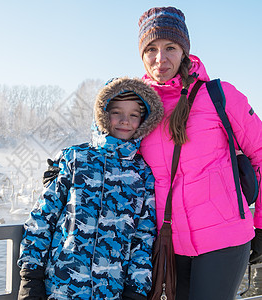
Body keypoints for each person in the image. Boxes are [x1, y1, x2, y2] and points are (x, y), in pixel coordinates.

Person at [136, 6, 262, 300]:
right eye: (151, 49)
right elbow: (111, 156)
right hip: (168, 243)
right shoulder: (138, 106)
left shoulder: (219, 95)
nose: (160, 58)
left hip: (224, 240)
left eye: (170, 47)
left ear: (184, 51)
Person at [17, 77, 164, 300]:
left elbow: (143, 237)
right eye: (117, 112)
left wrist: (137, 290)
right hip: (60, 288)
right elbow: (42, 218)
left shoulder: (142, 173)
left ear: (143, 121)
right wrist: (30, 276)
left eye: (134, 115)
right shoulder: (75, 158)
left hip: (111, 292)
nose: (125, 120)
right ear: (103, 114)